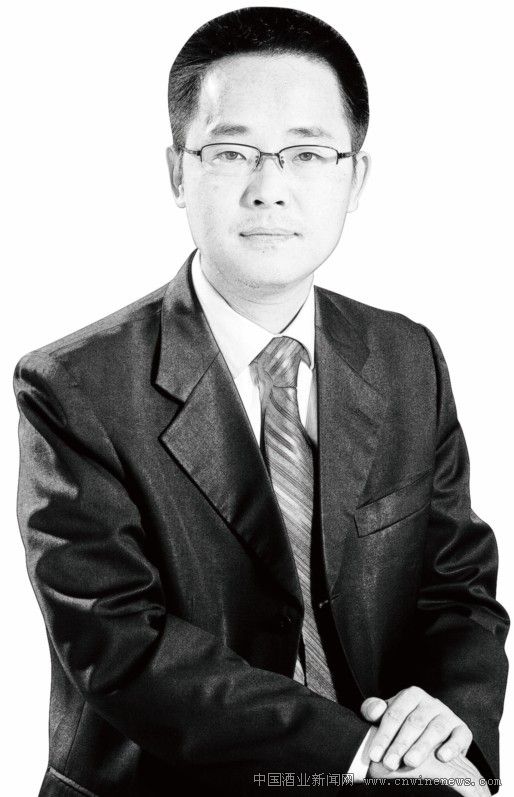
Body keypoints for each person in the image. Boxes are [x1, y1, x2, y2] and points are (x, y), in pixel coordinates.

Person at [14, 7, 508, 796]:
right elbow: (119, 641)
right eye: (231, 151)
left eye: (308, 153)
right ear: (177, 172)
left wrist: (447, 725)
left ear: (356, 177)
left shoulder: (406, 356)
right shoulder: (74, 387)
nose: (270, 188)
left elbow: (456, 586)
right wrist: (363, 756)